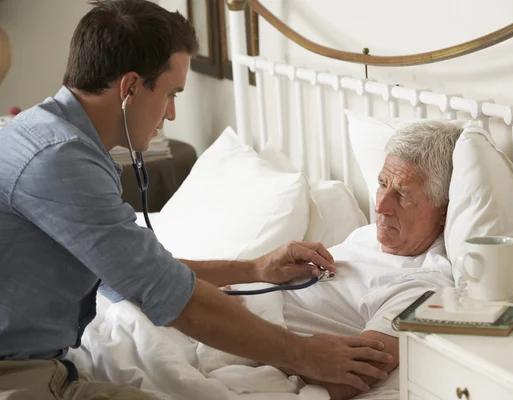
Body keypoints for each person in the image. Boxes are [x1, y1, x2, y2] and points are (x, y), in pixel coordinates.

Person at [0, 1, 392, 399]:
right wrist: (305, 354)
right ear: (130, 87)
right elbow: (171, 298)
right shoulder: (60, 161)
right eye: (171, 94)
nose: (170, 113)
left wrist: (254, 269)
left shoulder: (41, 130)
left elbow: (128, 273)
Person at [278, 121, 463, 400]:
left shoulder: (425, 288)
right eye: (381, 184)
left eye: (402, 195)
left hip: (248, 349)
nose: (379, 206)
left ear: (443, 211)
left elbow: (351, 378)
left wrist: (244, 335)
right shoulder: (365, 237)